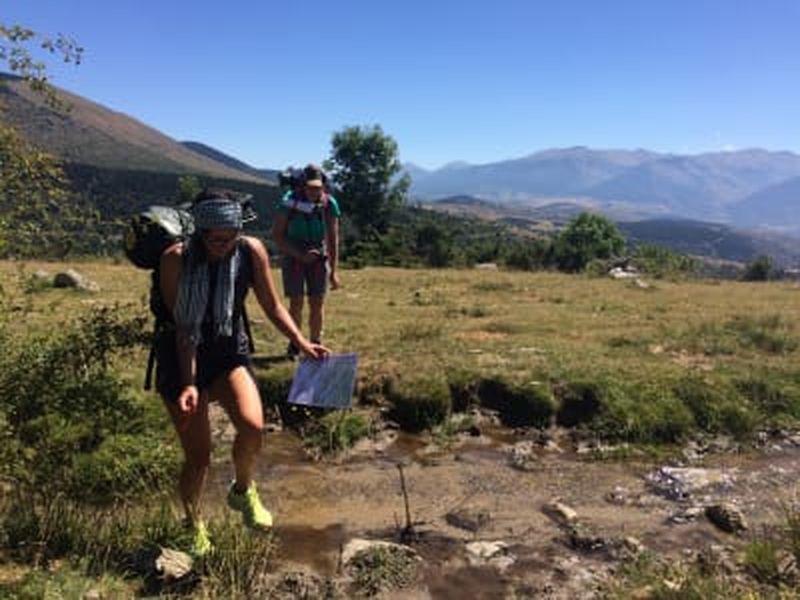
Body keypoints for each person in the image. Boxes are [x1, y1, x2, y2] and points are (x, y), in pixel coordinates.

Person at [156, 189, 329, 557]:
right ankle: (192, 525)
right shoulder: (175, 260)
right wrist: (188, 383)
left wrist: (301, 341)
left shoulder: (250, 251)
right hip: (180, 354)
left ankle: (243, 491)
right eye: (213, 238)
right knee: (199, 457)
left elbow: (271, 304)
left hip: (227, 348)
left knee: (252, 426)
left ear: (239, 229)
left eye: (229, 237)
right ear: (198, 232)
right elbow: (184, 328)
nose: (222, 245)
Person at [272, 164, 341, 357]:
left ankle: (315, 342)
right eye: (311, 187)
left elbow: (333, 238)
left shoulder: (329, 204)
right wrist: (299, 254)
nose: (315, 191)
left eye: (318, 187)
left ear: (323, 186)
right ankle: (295, 343)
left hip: (318, 255)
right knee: (296, 301)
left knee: (317, 301)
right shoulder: (289, 202)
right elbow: (277, 236)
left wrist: (334, 271)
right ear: (302, 186)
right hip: (294, 254)